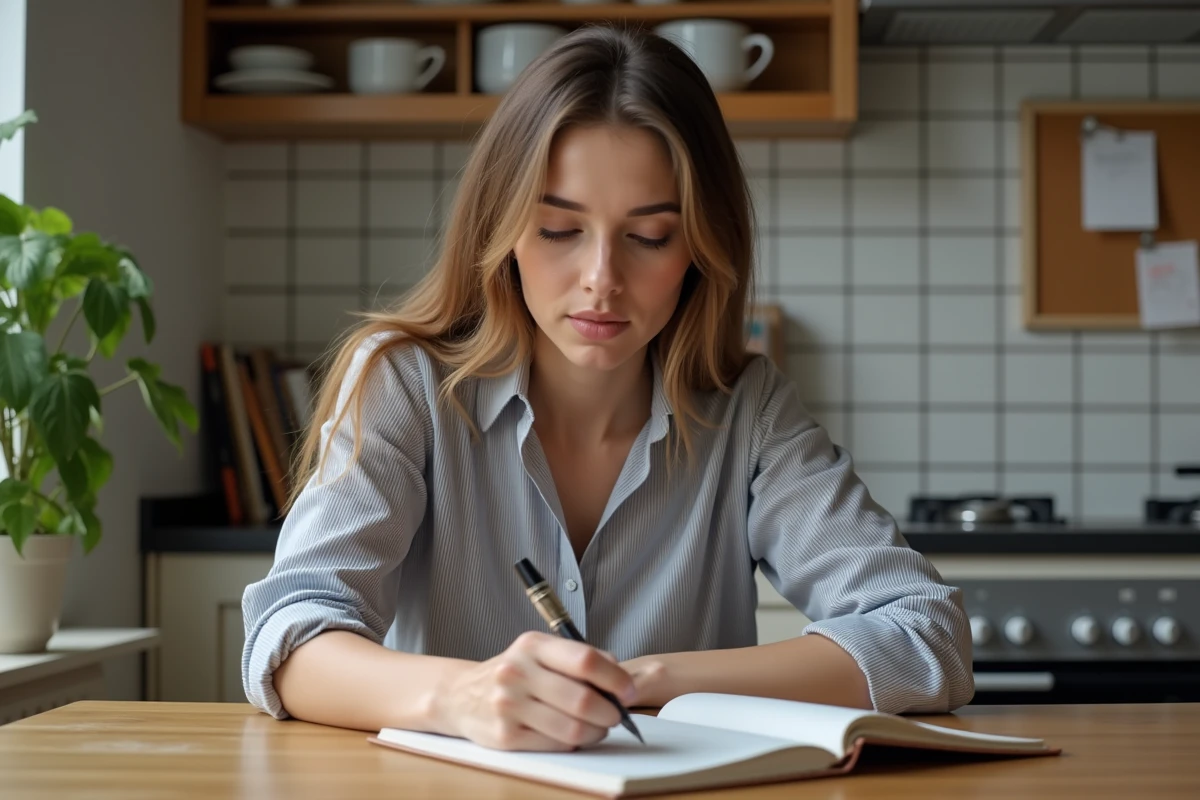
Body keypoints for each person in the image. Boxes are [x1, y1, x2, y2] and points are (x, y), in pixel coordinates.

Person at [241, 24, 973, 752]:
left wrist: (649, 682)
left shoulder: (749, 410)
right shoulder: (404, 381)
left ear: (700, 247)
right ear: (501, 232)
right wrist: (461, 697)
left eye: (649, 237)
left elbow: (927, 633)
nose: (601, 279)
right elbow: (292, 634)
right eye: (559, 228)